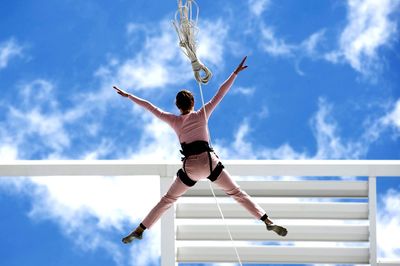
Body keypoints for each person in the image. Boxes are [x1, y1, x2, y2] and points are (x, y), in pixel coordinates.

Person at [113, 56, 287, 244]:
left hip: (191, 168)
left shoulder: (174, 120)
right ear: (193, 102)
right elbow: (220, 93)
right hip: (209, 162)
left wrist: (129, 96)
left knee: (168, 199)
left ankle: (141, 229)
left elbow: (151, 107)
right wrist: (235, 73)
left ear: (177, 106)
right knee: (237, 193)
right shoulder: (202, 113)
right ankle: (266, 220)